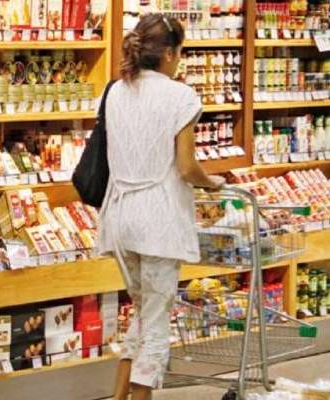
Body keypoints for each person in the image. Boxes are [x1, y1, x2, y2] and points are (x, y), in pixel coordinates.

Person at [97, 14, 225, 400]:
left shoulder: (116, 91)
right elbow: (186, 167)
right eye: (179, 52)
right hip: (157, 222)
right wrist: (212, 183)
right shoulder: (180, 96)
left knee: (143, 312)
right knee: (155, 326)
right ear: (169, 53)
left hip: (120, 216)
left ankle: (118, 396)